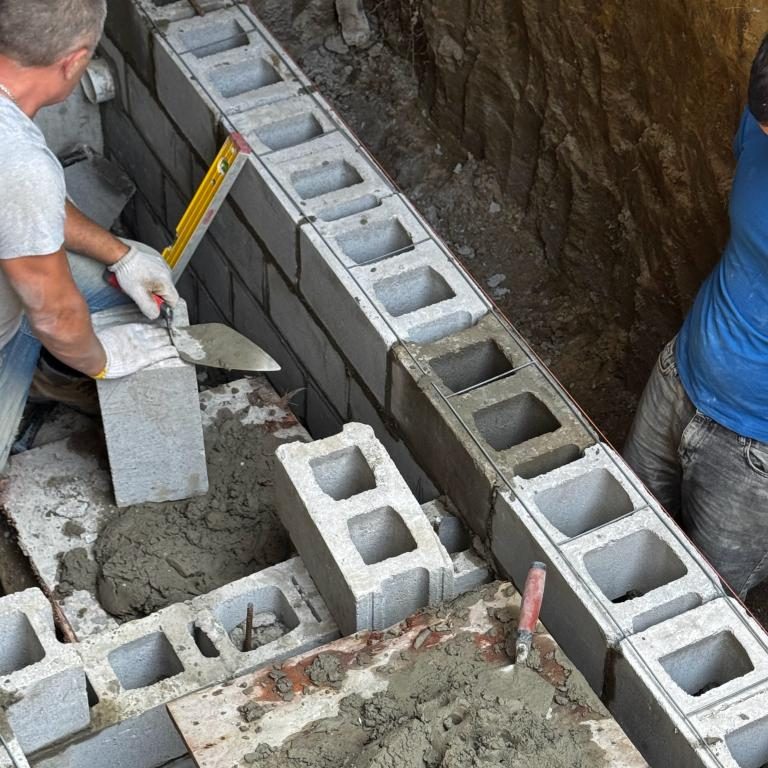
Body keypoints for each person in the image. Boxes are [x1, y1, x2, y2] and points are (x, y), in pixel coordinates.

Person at [0, 0, 180, 472]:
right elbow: (56, 316)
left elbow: (22, 206)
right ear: (76, 61)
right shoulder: (19, 162)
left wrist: (121, 255)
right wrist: (101, 359)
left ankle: (47, 375)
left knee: (111, 286)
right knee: (62, 322)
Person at [624, 34, 768, 599]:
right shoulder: (761, 121)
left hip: (752, 453)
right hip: (680, 375)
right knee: (621, 539)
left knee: (698, 606)